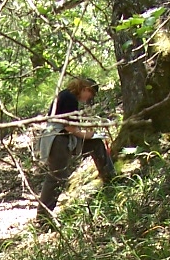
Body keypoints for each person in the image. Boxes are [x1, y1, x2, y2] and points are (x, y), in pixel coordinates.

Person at [37, 76, 115, 223]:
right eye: (90, 94)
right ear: (85, 89)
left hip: (63, 138)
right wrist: (88, 135)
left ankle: (111, 179)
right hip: (58, 140)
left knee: (96, 144)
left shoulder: (66, 96)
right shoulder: (69, 98)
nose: (89, 99)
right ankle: (43, 218)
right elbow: (70, 127)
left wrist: (90, 134)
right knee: (57, 177)